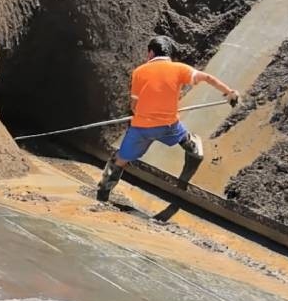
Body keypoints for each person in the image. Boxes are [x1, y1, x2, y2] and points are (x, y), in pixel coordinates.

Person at [96, 35, 239, 201]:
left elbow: (134, 106)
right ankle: (194, 148)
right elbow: (207, 78)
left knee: (119, 159)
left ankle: (103, 193)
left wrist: (144, 110)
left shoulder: (139, 72)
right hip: (168, 125)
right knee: (182, 135)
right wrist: (229, 93)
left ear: (150, 53)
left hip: (141, 128)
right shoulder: (179, 69)